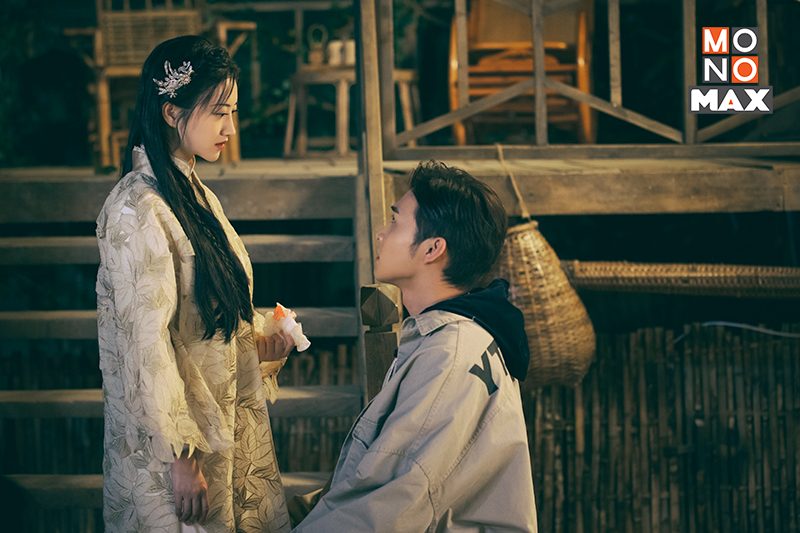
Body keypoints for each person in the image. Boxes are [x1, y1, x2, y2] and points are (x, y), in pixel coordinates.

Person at [96, 35, 293, 532]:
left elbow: (206, 311)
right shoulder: (136, 208)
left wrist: (259, 340)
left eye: (233, 112)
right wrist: (181, 458)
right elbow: (145, 345)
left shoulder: (193, 193)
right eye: (219, 112)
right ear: (171, 112)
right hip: (175, 453)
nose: (231, 128)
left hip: (219, 422)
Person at [294, 161, 538, 532]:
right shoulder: (448, 338)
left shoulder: (449, 355)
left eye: (395, 222)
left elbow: (391, 503)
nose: (381, 233)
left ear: (432, 249)